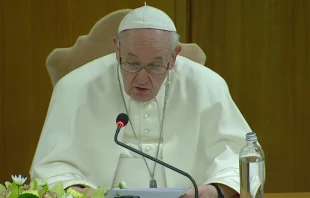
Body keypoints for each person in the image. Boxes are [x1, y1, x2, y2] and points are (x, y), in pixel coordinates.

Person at [30, 4, 252, 198]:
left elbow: (240, 156)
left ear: (174, 56)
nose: (142, 78)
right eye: (132, 64)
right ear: (117, 50)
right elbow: (50, 167)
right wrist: (84, 193)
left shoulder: (207, 85)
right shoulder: (75, 87)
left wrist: (215, 191)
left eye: (155, 65)